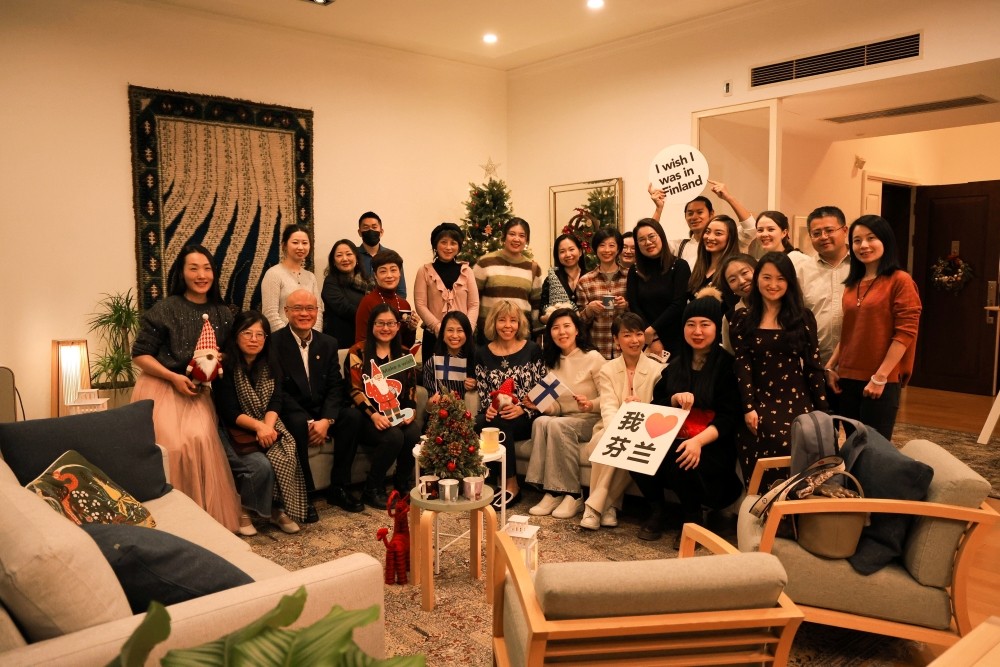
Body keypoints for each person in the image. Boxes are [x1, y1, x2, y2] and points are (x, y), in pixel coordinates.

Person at [131, 244, 242, 532]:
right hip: (162, 386)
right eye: (193, 268)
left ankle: (203, 522)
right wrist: (172, 377)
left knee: (201, 440)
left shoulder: (223, 313)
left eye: (206, 268)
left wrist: (217, 360)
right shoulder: (165, 309)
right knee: (175, 448)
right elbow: (140, 355)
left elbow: (230, 353)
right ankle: (173, 523)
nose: (201, 275)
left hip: (197, 391)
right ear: (182, 273)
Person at [630, 295, 744, 545]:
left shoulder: (727, 366)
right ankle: (657, 510)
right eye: (691, 324)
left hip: (711, 443)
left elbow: (728, 418)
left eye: (705, 324)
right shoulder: (675, 364)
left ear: (716, 327)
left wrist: (698, 442)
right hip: (676, 435)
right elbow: (657, 404)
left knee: (680, 456)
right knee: (633, 449)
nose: (697, 331)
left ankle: (693, 520)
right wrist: (673, 400)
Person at [731, 252, 828, 487]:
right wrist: (748, 407)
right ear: (757, 279)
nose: (773, 285)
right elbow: (742, 365)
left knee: (795, 446)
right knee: (755, 443)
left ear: (790, 282)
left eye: (781, 278)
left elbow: (813, 367)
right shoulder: (742, 318)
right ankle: (763, 503)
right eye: (767, 277)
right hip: (758, 399)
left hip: (795, 399)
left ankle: (793, 502)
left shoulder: (802, 318)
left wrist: (824, 412)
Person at [825, 215, 921, 440]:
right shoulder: (852, 284)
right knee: (852, 443)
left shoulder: (900, 280)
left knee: (875, 449)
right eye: (857, 240)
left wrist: (881, 377)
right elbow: (849, 332)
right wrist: (830, 366)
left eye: (871, 238)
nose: (864, 245)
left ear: (885, 241)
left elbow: (905, 333)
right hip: (847, 378)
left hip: (881, 379)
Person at [271, 289, 364, 518]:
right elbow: (278, 390)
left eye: (310, 308)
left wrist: (326, 420)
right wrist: (310, 423)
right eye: (298, 308)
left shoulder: (328, 343)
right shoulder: (274, 343)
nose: (304, 313)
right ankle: (306, 494)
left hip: (322, 410)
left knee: (352, 417)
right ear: (286, 312)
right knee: (296, 422)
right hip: (293, 411)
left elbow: (335, 386)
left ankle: (339, 487)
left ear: (317, 312)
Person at [215, 311, 307, 534]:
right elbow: (229, 412)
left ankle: (277, 510)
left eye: (260, 334)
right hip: (232, 430)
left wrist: (268, 426)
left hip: (267, 423)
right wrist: (259, 427)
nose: (254, 339)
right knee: (260, 465)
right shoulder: (224, 366)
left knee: (284, 455)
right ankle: (245, 510)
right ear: (236, 336)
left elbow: (276, 400)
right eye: (247, 333)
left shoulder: (271, 363)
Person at [580, 313, 664, 530]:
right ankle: (610, 507)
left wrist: (640, 407)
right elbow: (608, 406)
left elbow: (659, 406)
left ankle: (594, 508)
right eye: (627, 335)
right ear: (616, 340)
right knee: (605, 442)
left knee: (624, 446)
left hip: (646, 429)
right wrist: (616, 429)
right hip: (612, 425)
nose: (634, 340)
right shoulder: (607, 369)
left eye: (638, 334)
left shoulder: (658, 369)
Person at [524, 309, 604, 520]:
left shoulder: (593, 358)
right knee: (541, 421)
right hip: (565, 419)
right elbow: (558, 408)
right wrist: (540, 406)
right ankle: (552, 491)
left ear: (577, 330)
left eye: (566, 326)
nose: (561, 332)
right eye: (555, 328)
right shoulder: (552, 362)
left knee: (556, 425)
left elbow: (609, 398)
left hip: (592, 419)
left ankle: (573, 494)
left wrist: (590, 404)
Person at [347, 304, 420, 508]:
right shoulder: (357, 352)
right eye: (380, 323)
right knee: (393, 436)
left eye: (390, 323)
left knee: (413, 432)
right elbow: (355, 390)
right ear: (372, 325)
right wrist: (374, 415)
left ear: (398, 326)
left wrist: (411, 411)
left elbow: (411, 388)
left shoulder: (404, 354)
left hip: (396, 413)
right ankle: (372, 488)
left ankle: (402, 484)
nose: (385, 328)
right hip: (368, 418)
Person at [474, 300, 545, 507]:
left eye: (513, 320)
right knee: (479, 422)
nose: (508, 325)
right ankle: (486, 481)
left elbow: (542, 392)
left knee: (500, 423)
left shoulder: (532, 349)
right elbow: (484, 392)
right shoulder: (481, 354)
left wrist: (522, 409)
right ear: (493, 323)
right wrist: (489, 408)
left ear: (519, 323)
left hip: (527, 416)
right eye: (502, 320)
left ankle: (511, 485)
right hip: (498, 414)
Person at [648, 181, 757, 266]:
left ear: (711, 214)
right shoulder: (679, 246)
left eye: (700, 212)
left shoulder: (728, 240)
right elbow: (651, 242)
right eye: (690, 213)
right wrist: (658, 208)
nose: (694, 217)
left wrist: (728, 197)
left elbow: (751, 228)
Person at [625, 218, 691, 358]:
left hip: (676, 336)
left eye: (651, 236)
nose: (648, 242)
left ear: (661, 236)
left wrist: (652, 329)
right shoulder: (634, 270)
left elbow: (679, 304)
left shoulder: (679, 266)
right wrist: (652, 337)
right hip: (645, 338)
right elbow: (634, 305)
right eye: (641, 240)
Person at [414, 222, 479, 356]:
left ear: (459, 246)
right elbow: (420, 304)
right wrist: (437, 327)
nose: (448, 247)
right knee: (433, 369)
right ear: (435, 245)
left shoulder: (467, 272)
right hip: (433, 337)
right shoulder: (424, 271)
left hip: (462, 339)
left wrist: (467, 330)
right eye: (443, 242)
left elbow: (474, 304)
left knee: (464, 370)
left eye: (453, 243)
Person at [473, 218, 543, 342]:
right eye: (512, 234)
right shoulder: (485, 263)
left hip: (520, 336)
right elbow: (473, 299)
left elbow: (536, 305)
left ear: (526, 240)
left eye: (522, 235)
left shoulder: (533, 268)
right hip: (489, 336)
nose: (516, 239)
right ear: (504, 236)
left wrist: (536, 332)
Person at [799, 206, 851, 367]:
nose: (823, 237)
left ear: (845, 230)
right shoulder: (802, 271)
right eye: (816, 233)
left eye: (829, 230)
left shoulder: (863, 266)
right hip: (816, 362)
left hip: (856, 362)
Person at [576, 227, 628, 360]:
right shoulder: (585, 281)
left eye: (612, 245)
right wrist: (589, 309)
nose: (607, 250)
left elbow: (640, 311)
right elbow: (579, 322)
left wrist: (626, 305)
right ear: (595, 249)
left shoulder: (629, 277)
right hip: (597, 348)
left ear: (618, 249)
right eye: (602, 245)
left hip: (626, 348)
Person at [261, 225, 323, 333]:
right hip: (282, 338)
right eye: (295, 242)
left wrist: (313, 337)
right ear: (284, 245)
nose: (300, 247)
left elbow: (318, 311)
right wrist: (289, 338)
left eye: (305, 243)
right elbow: (270, 313)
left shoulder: (311, 277)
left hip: (310, 339)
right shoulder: (273, 274)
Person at [355, 250, 421, 348]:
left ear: (399, 273)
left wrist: (411, 329)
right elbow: (361, 341)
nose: (389, 275)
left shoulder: (404, 304)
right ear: (375, 276)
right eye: (383, 271)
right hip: (372, 355)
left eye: (393, 270)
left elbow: (406, 345)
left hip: (398, 356)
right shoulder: (367, 302)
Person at [422, 310, 477, 411]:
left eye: (460, 330)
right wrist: (431, 402)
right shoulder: (432, 363)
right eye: (450, 330)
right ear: (442, 333)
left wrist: (476, 385)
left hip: (468, 414)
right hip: (440, 415)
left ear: (467, 333)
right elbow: (429, 401)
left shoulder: (476, 359)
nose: (455, 335)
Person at [321, 239, 370, 350]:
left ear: (356, 257)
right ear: (333, 261)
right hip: (341, 342)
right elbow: (344, 308)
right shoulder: (331, 282)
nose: (345, 259)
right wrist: (371, 317)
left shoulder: (368, 281)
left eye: (349, 254)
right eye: (339, 255)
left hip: (365, 339)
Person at [540, 233, 588, 324]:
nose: (568, 254)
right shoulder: (552, 279)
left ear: (580, 252)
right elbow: (541, 312)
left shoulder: (589, 277)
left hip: (587, 331)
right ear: (557, 256)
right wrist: (548, 317)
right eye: (562, 251)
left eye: (571, 249)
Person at [687, 214, 741, 295]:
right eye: (707, 232)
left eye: (718, 233)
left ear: (730, 238)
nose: (710, 237)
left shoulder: (733, 269)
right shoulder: (698, 266)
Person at [357, 211, 406, 297]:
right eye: (366, 227)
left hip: (388, 305)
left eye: (374, 227)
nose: (370, 230)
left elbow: (401, 291)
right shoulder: (353, 256)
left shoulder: (392, 256)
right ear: (359, 232)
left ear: (381, 231)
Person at [719, 253, 758, 353]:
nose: (741, 281)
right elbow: (730, 354)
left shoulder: (777, 305)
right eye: (732, 280)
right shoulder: (729, 318)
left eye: (744, 273)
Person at [754, 210, 811, 277]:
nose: (764, 234)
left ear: (784, 233)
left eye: (771, 229)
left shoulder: (798, 259)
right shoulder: (762, 262)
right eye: (760, 230)